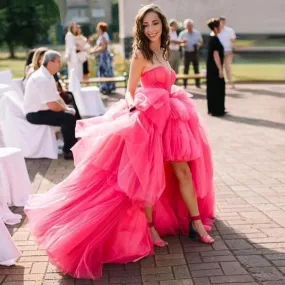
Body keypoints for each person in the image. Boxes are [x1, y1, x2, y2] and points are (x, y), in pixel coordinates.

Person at [25, 4, 215, 280]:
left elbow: (165, 83)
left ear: (162, 24)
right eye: (145, 25)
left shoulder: (165, 51)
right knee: (146, 174)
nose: (150, 29)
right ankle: (149, 227)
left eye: (154, 23)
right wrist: (134, 107)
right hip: (148, 115)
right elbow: (130, 90)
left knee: (182, 170)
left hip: (172, 117)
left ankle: (197, 225)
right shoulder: (140, 54)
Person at [24, 50, 77, 160]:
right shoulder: (41, 78)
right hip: (35, 114)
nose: (60, 64)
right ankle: (68, 151)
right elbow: (53, 105)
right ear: (50, 63)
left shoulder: (48, 75)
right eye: (58, 62)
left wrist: (67, 108)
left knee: (70, 111)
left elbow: (57, 97)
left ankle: (73, 143)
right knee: (67, 117)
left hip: (42, 111)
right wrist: (66, 110)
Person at [206, 18, 226, 116]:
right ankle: (217, 109)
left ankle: (214, 108)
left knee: (213, 88)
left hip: (212, 67)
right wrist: (220, 69)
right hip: (214, 68)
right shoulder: (214, 39)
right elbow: (216, 55)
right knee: (217, 87)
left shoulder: (212, 37)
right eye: (220, 25)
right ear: (215, 27)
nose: (222, 27)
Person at [90, 22, 116, 94]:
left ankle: (106, 87)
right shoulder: (101, 36)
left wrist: (94, 52)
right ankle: (105, 87)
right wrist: (93, 50)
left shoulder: (104, 36)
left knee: (104, 71)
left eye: (98, 28)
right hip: (102, 55)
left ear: (101, 29)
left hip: (104, 56)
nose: (97, 29)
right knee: (103, 71)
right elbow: (98, 45)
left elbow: (103, 48)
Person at [179, 19, 203, 88]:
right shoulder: (182, 33)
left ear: (192, 26)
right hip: (186, 53)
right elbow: (179, 43)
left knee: (196, 68)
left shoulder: (197, 33)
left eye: (190, 26)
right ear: (185, 26)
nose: (189, 27)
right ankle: (185, 84)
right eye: (188, 26)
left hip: (195, 52)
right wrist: (183, 44)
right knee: (186, 69)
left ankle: (198, 84)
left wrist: (198, 45)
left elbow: (201, 42)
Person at [218, 16, 236, 88]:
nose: (222, 23)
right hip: (219, 52)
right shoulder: (216, 30)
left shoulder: (230, 30)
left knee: (227, 67)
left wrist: (233, 48)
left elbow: (233, 41)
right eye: (221, 22)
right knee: (219, 68)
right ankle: (220, 83)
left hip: (228, 51)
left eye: (223, 22)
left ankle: (230, 82)